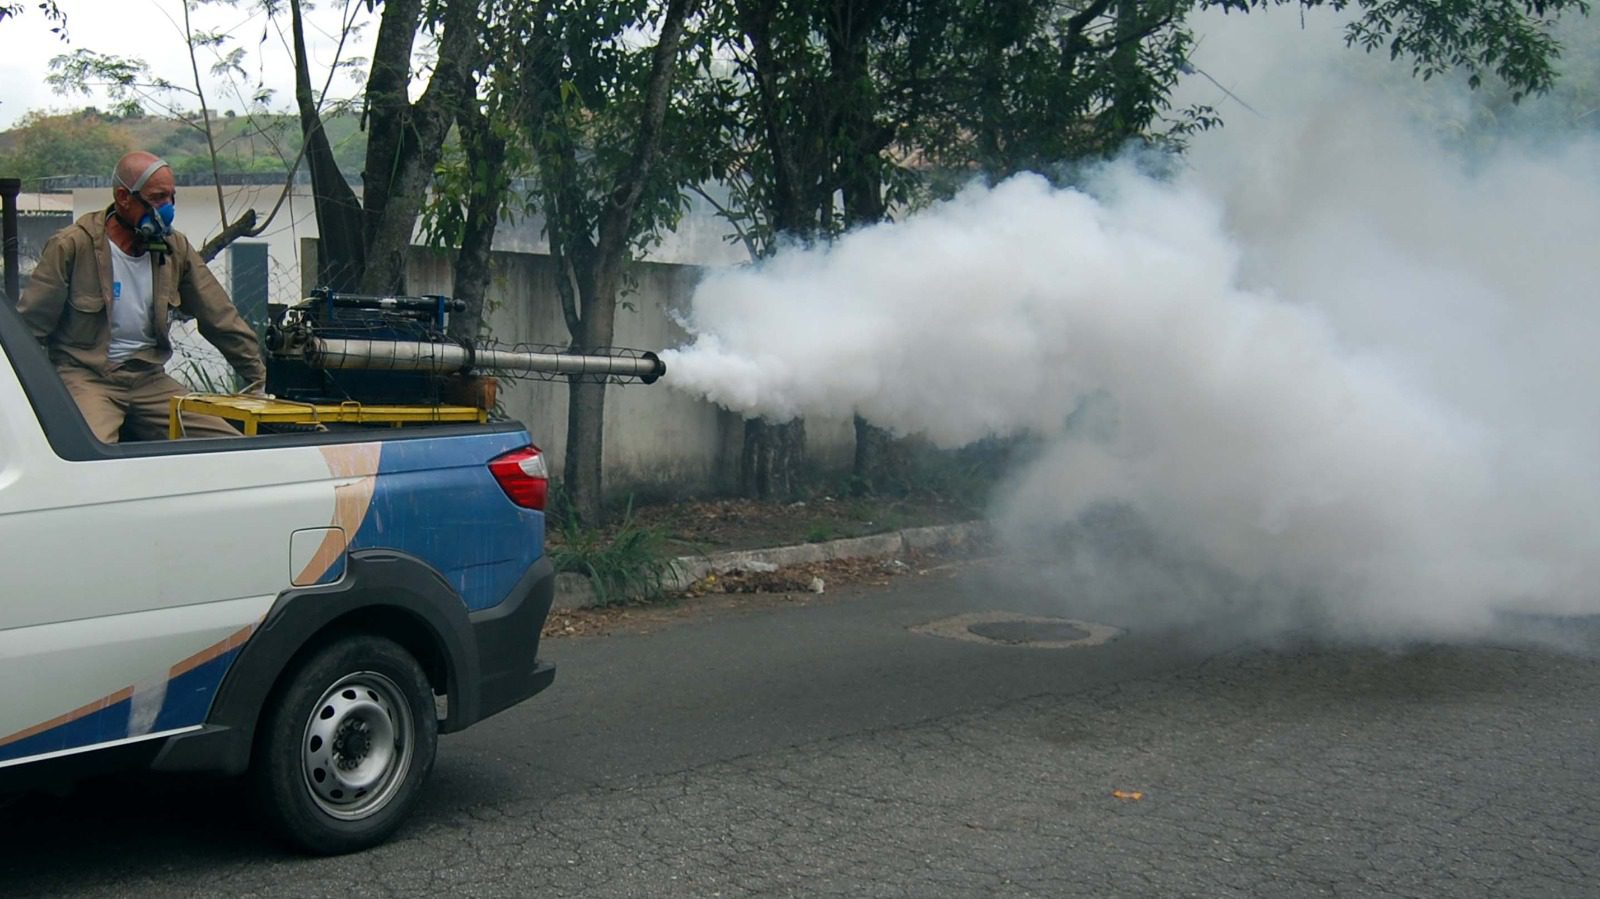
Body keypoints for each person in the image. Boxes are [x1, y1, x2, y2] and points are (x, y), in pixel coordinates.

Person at [16, 151, 266, 442]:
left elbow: (219, 315)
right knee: (90, 453)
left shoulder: (174, 248)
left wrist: (258, 379)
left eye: (172, 197)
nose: (168, 207)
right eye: (158, 197)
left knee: (230, 447)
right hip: (87, 376)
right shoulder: (73, 246)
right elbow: (30, 328)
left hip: (150, 379)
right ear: (124, 196)